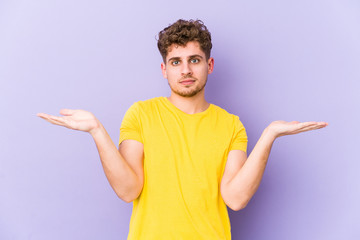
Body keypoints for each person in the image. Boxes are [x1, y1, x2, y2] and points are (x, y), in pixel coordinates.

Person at [38, 19, 328, 240]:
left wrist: (269, 136)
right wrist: (97, 132)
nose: (186, 70)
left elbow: (236, 198)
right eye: (176, 62)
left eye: (194, 60)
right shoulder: (141, 114)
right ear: (165, 69)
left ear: (209, 64)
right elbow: (129, 190)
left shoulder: (231, 126)